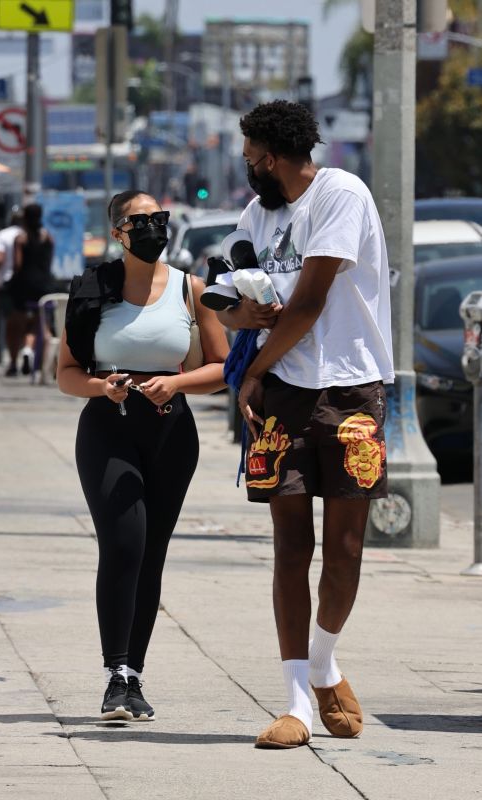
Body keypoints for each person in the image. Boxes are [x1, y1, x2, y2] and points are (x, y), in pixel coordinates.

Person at [217, 100, 394, 749]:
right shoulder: (255, 214)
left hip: (351, 387)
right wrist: (237, 317)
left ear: (270, 155)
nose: (245, 167)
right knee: (290, 544)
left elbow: (313, 299)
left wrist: (254, 369)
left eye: (248, 155)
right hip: (284, 394)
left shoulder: (340, 194)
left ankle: (324, 665)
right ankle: (294, 701)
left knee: (345, 544)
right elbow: (231, 297)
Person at [57, 189, 228, 721]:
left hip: (170, 433)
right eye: (141, 220)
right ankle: (115, 674)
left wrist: (175, 384)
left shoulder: (190, 290)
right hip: (108, 428)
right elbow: (65, 374)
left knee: (152, 552)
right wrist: (103, 387)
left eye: (160, 218)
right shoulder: (92, 290)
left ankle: (134, 677)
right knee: (123, 543)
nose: (154, 227)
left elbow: (224, 367)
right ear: (118, 233)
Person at [4, 203, 55, 377]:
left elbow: (17, 264)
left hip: (23, 285)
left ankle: (12, 363)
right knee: (38, 322)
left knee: (15, 324)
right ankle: (28, 350)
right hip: (44, 285)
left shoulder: (21, 238)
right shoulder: (48, 237)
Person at [0, 207, 24, 365]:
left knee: (6, 321)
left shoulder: (3, 235)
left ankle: (5, 357)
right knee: (26, 320)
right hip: (27, 284)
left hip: (6, 282)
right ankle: (26, 350)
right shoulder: (30, 235)